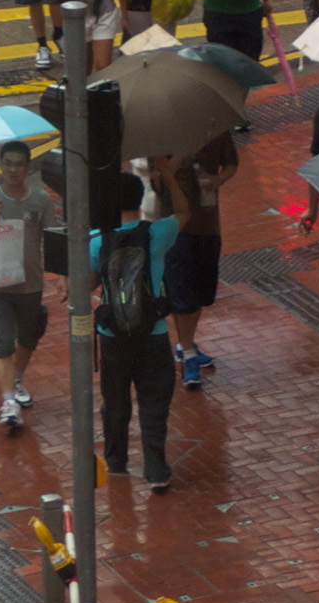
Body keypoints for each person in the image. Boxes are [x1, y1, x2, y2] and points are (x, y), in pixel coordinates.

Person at [94, 166, 184, 490]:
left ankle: (116, 462)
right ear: (139, 198)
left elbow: (92, 282)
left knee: (115, 402)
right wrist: (168, 174)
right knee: (154, 402)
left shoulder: (98, 241)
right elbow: (185, 212)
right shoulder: (157, 234)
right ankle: (156, 469)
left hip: (113, 336)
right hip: (153, 332)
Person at [0, 138, 56, 432]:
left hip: (30, 283)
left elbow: (52, 237)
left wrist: (65, 277)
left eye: (18, 164)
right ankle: (8, 401)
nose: (12, 170)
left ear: (27, 168)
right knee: (2, 343)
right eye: (7, 163)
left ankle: (17, 377)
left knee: (29, 337)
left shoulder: (40, 200)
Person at [165, 130, 238, 387]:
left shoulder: (216, 127)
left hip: (208, 224)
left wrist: (219, 179)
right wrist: (178, 158)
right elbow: (154, 180)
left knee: (201, 291)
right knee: (181, 290)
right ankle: (188, 354)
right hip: (177, 226)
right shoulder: (163, 133)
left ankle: (186, 343)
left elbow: (231, 163)